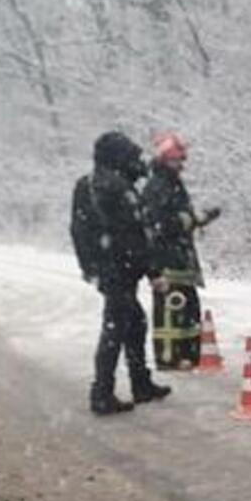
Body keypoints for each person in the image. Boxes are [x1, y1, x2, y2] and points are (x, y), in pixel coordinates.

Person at [70, 131, 173, 415]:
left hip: (106, 269)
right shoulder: (120, 188)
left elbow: (78, 230)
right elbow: (136, 236)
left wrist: (90, 268)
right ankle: (103, 392)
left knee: (132, 322)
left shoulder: (86, 185)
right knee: (116, 328)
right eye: (132, 156)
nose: (139, 161)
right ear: (119, 158)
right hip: (121, 269)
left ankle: (137, 383)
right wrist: (153, 272)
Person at [139, 133, 221, 369]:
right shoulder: (157, 187)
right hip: (167, 260)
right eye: (177, 161)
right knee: (171, 310)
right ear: (165, 161)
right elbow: (160, 224)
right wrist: (192, 219)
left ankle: (189, 353)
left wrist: (199, 219)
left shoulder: (171, 184)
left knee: (187, 308)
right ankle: (169, 356)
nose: (181, 166)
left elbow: (177, 220)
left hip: (180, 258)